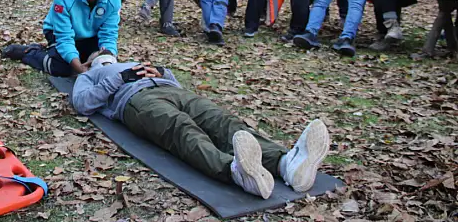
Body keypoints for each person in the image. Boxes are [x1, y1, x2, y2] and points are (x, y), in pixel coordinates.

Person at [71, 52, 330, 200]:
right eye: (100, 55)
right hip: (135, 102)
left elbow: (176, 82)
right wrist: (117, 78)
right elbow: (83, 103)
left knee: (220, 120)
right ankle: (235, 171)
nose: (104, 55)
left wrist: (162, 73)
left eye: (108, 54)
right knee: (180, 127)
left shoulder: (133, 60)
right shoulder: (89, 75)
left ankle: (287, 164)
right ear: (94, 61)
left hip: (172, 91)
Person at [2, 0, 121, 76]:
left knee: (99, 63)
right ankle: (29, 53)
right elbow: (64, 37)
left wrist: (107, 58)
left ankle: (66, 54)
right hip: (57, 32)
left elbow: (109, 35)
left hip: (90, 36)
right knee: (63, 68)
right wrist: (79, 68)